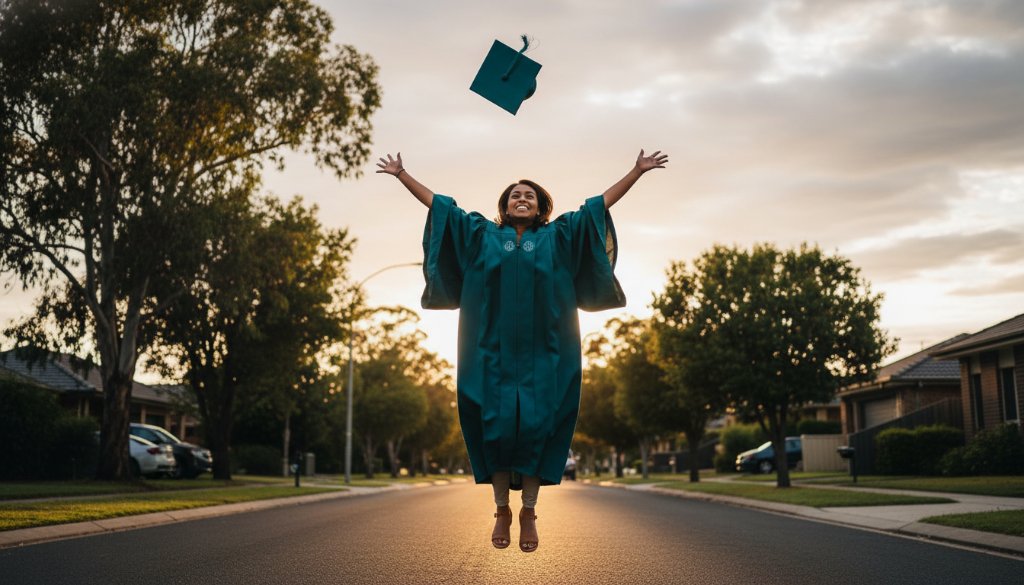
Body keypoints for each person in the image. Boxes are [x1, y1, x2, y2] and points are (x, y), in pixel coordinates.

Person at [376, 149, 668, 552]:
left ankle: (529, 511)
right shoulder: (480, 235)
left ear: (541, 206)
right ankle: (501, 509)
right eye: (515, 194)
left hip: (547, 353)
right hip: (488, 353)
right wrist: (403, 175)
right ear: (505, 204)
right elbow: (443, 209)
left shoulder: (560, 236)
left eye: (529, 195)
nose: (522, 198)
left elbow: (597, 208)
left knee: (537, 430)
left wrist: (636, 171)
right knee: (494, 431)